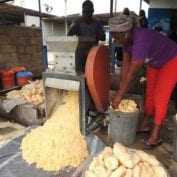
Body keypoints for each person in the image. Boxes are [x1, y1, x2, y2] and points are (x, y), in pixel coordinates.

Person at [109, 13, 177, 149]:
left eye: (116, 35)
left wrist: (120, 95)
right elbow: (125, 67)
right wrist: (120, 90)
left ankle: (155, 135)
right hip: (155, 61)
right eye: (113, 34)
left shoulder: (141, 41)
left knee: (160, 97)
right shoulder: (126, 41)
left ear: (126, 32)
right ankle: (145, 124)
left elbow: (132, 74)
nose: (114, 38)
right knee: (149, 92)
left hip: (172, 59)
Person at [67, 0, 105, 73]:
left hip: (93, 53)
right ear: (82, 11)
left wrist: (99, 34)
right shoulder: (77, 22)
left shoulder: (97, 24)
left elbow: (103, 38)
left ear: (92, 11)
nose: (86, 14)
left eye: (89, 11)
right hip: (79, 52)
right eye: (84, 11)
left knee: (91, 73)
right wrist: (71, 30)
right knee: (79, 72)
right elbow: (68, 35)